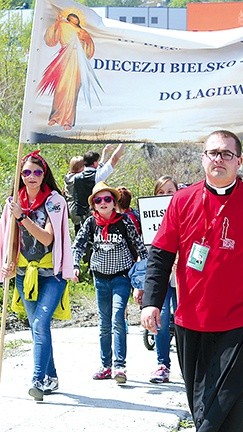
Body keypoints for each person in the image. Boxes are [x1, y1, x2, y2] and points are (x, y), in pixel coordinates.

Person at [140, 130, 243, 432]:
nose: (219, 159)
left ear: (239, 162)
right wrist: (151, 302)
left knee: (227, 404)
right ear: (203, 158)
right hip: (192, 320)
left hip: (242, 322)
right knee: (202, 405)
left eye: (226, 154)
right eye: (213, 153)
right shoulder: (181, 200)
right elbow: (160, 255)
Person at [0, 150, 75, 401]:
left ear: (44, 175)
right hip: (24, 274)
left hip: (50, 274)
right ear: (20, 176)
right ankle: (51, 376)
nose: (31, 176)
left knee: (40, 324)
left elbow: (47, 237)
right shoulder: (13, 201)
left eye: (37, 172)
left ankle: (37, 379)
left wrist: (23, 216)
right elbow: (12, 237)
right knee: (37, 328)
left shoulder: (54, 201)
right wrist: (8, 263)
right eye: (26, 172)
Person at [71, 181, 148, 384]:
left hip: (121, 277)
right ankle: (106, 365)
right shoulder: (90, 223)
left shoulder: (124, 222)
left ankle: (119, 366)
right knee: (104, 323)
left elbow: (141, 248)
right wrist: (75, 265)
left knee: (117, 318)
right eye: (98, 200)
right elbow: (77, 245)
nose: (103, 203)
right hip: (100, 278)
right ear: (93, 205)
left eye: (107, 199)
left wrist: (142, 279)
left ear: (114, 202)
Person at [133, 175, 179, 384]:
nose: (165, 196)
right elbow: (142, 253)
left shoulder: (186, 212)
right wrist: (140, 283)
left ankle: (190, 365)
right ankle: (162, 364)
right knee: (159, 318)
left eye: (170, 191)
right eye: (161, 192)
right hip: (160, 273)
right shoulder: (148, 218)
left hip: (182, 274)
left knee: (183, 319)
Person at [37, 13, 100, 130]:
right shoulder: (62, 26)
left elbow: (90, 48)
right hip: (64, 58)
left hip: (77, 60)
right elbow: (50, 41)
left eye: (76, 17)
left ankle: (68, 121)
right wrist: (56, 23)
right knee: (60, 88)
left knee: (72, 90)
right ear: (69, 18)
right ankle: (55, 117)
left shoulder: (83, 32)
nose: (75, 19)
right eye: (72, 17)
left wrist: (85, 41)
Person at [72, 144, 125, 226]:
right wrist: (123, 143)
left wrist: (105, 152)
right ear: (94, 163)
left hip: (81, 218)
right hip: (96, 217)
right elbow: (114, 159)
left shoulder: (76, 177)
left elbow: (99, 165)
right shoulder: (98, 176)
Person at [63, 155, 84, 232]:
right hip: (78, 209)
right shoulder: (77, 178)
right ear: (79, 167)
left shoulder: (68, 177)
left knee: (78, 229)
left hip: (72, 208)